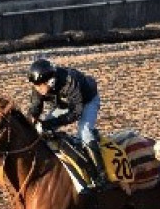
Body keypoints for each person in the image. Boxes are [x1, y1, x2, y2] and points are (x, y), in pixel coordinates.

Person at [26, 57, 109, 189]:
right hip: (63, 104)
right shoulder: (38, 87)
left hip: (87, 102)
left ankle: (101, 174)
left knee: (84, 132)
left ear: (51, 81)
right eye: (35, 86)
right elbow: (35, 108)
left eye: (40, 85)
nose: (37, 89)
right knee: (42, 130)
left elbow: (76, 113)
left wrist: (50, 124)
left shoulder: (70, 81)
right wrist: (30, 122)